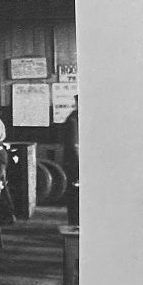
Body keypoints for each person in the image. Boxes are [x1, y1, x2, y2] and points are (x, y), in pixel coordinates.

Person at [62, 94, 80, 224]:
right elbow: (75, 146)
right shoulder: (73, 120)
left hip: (77, 162)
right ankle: (74, 225)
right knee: (75, 195)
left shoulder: (78, 118)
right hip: (75, 164)